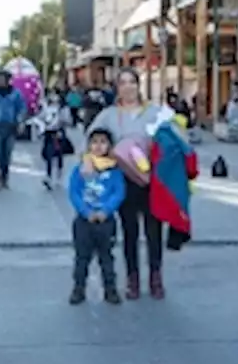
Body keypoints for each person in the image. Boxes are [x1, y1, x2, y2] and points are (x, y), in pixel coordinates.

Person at [88, 68, 165, 300]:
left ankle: (155, 277)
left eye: (132, 82)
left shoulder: (155, 112)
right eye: (123, 83)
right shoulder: (108, 115)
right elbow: (92, 140)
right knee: (129, 231)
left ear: (138, 85)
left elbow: (173, 137)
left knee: (154, 231)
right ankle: (133, 279)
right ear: (118, 88)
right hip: (123, 180)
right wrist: (105, 158)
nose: (128, 87)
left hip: (153, 180)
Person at [68, 127, 126, 305]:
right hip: (84, 221)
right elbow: (74, 192)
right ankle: (79, 289)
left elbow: (119, 192)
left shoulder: (114, 170)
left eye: (103, 142)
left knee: (106, 257)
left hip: (105, 221)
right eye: (94, 142)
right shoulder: (81, 168)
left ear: (109, 146)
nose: (98, 146)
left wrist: (106, 211)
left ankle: (110, 289)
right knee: (81, 257)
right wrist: (86, 212)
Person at [38, 91, 72, 189]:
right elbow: (41, 117)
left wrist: (62, 120)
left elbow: (68, 121)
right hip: (48, 133)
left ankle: (58, 175)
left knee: (58, 154)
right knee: (48, 154)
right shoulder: (46, 107)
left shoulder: (63, 108)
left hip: (58, 133)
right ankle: (48, 176)